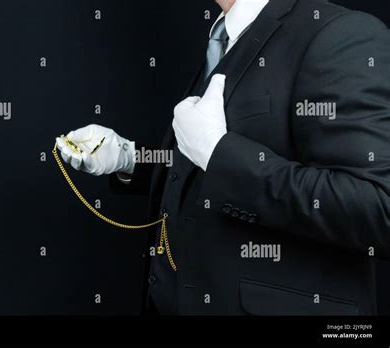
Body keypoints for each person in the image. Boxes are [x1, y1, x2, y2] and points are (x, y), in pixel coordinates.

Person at [56, 0, 390, 315]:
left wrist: (218, 152)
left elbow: (377, 206)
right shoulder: (225, 35)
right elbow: (201, 164)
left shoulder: (340, 34)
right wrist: (130, 159)